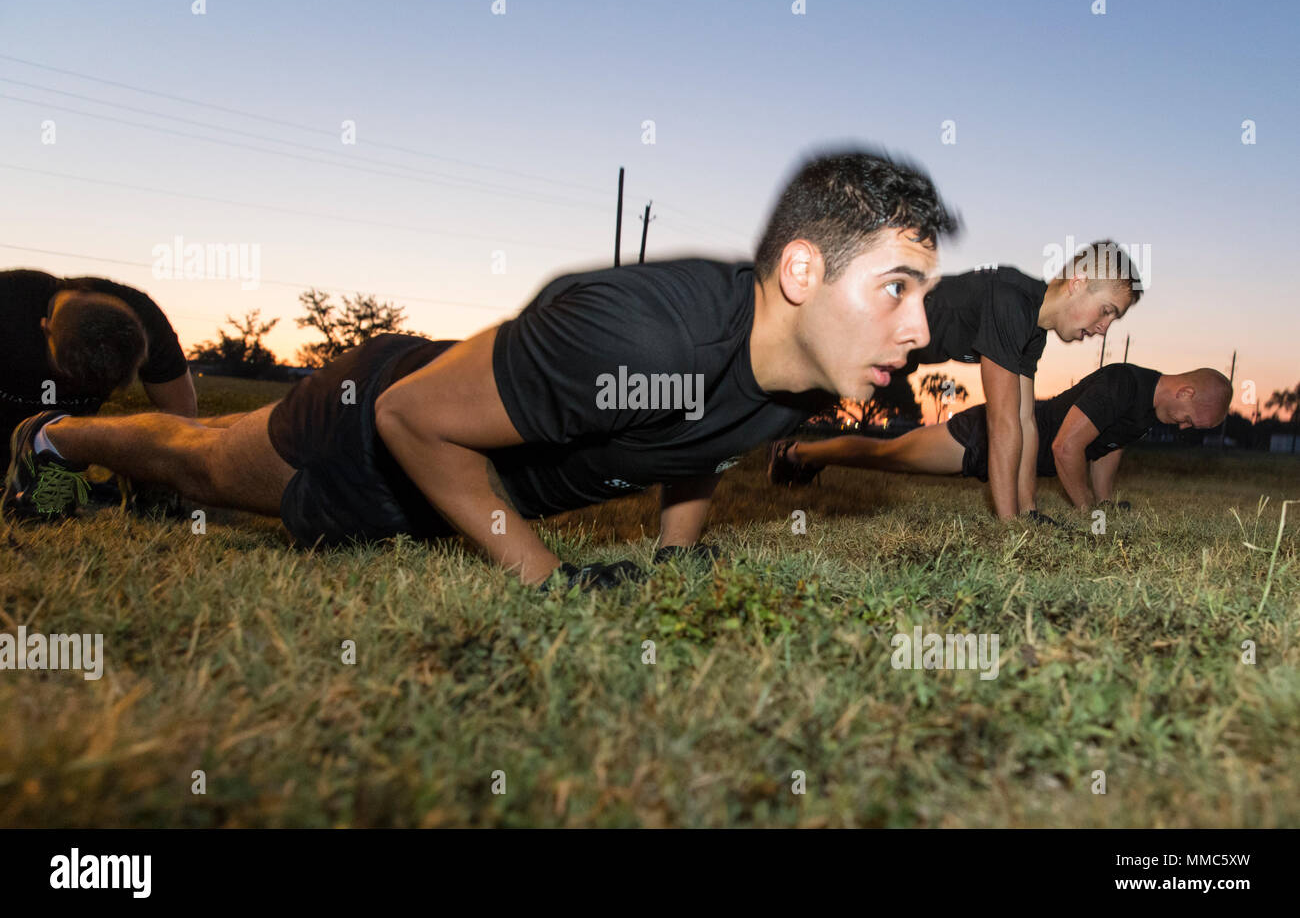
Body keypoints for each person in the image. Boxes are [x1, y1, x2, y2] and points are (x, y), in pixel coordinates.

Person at [4, 147, 959, 588]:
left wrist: (678, 555)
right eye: (897, 288)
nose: (920, 329)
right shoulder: (647, 335)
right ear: (801, 271)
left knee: (200, 448)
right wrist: (548, 578)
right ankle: (48, 438)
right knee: (196, 459)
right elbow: (415, 419)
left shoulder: (799, 375)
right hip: (377, 421)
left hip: (455, 454)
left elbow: (700, 439)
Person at [770, 243, 1144, 519]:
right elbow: (1001, 423)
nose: (1103, 327)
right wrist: (1009, 524)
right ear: (1078, 284)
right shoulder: (1011, 301)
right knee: (779, 394)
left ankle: (791, 453)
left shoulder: (1034, 330)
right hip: (869, 329)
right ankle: (775, 449)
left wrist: (1029, 510)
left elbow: (1026, 421)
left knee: (812, 410)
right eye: (1107, 310)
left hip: (900, 356)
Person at [768, 364, 1231, 517]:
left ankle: (803, 454)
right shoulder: (1123, 385)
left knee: (889, 457)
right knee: (887, 455)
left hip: (1006, 453)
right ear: (1185, 391)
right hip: (984, 436)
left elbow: (1107, 447)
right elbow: (1066, 448)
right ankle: (797, 451)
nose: (1185, 428)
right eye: (1190, 418)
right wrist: (1089, 512)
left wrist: (1105, 504)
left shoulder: (1147, 407)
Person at [0, 269, 197, 440]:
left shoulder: (148, 323)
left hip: (66, 449)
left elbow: (183, 419)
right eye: (70, 374)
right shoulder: (7, 301)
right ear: (46, 329)